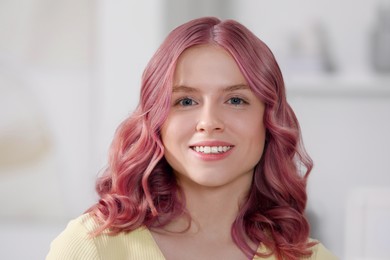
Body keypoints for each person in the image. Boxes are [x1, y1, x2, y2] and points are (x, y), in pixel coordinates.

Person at [46, 17, 338, 260]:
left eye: (236, 100)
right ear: (156, 120)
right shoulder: (90, 247)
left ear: (270, 119)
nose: (209, 123)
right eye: (186, 101)